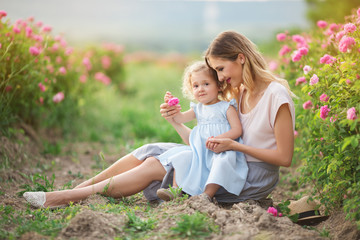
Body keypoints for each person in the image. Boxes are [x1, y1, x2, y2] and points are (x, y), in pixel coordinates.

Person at [23, 30, 295, 208]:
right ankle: (79, 189)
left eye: (221, 69)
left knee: (156, 164)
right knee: (149, 149)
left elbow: (284, 158)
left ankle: (63, 198)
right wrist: (176, 120)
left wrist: (235, 146)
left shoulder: (276, 95)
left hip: (246, 175)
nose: (220, 78)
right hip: (220, 159)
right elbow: (205, 135)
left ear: (241, 58)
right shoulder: (239, 91)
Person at [155, 61, 248, 202]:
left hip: (221, 149)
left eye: (206, 84)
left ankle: (207, 195)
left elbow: (237, 130)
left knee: (222, 162)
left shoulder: (226, 107)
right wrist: (171, 106)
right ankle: (175, 189)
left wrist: (220, 139)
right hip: (200, 152)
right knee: (182, 157)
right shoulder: (197, 109)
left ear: (219, 85)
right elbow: (179, 118)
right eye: (196, 86)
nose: (201, 89)